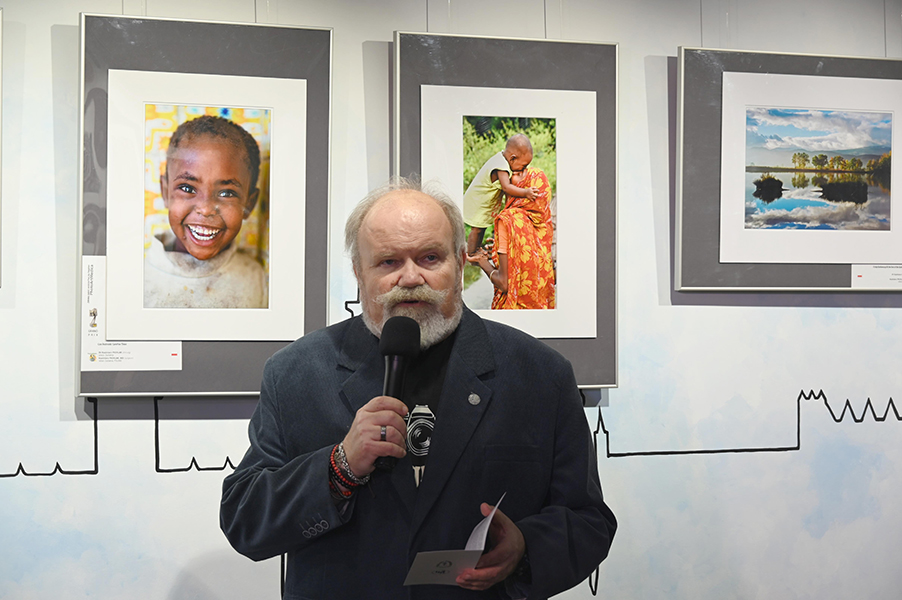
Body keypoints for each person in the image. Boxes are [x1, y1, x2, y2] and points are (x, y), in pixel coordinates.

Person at [220, 178, 616, 599]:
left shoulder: (539, 374)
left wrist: (525, 549)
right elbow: (246, 521)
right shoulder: (295, 373)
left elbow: (588, 521)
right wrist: (339, 467)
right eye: (388, 262)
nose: (411, 278)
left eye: (430, 257)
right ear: (359, 273)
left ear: (460, 264)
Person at [144, 115, 267, 308]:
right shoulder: (135, 277)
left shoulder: (257, 281)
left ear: (249, 204)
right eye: (187, 188)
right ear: (165, 192)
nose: (206, 209)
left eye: (227, 193)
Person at [468, 167, 556, 309]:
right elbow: (543, 271)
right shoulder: (545, 226)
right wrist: (501, 249)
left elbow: (504, 284)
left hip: (513, 310)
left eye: (520, 173)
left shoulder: (509, 220)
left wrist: (482, 262)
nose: (511, 173)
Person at [463, 134, 539, 256]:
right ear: (512, 159)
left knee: (481, 228)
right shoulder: (501, 167)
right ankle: (471, 254)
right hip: (478, 202)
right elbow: (506, 187)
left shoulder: (502, 159)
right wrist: (526, 193)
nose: (523, 170)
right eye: (523, 166)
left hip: (482, 202)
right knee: (476, 229)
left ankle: (476, 249)